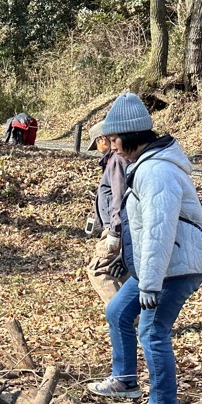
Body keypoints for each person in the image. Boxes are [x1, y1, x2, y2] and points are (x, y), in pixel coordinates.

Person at [86, 93, 202, 404]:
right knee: (117, 312)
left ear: (129, 136)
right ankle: (125, 381)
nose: (111, 146)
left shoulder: (157, 172)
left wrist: (150, 285)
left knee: (152, 331)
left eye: (114, 139)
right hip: (155, 266)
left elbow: (160, 232)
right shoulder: (145, 164)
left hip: (174, 266)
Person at [84, 120, 130, 304]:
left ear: (102, 138)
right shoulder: (114, 159)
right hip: (118, 225)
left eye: (96, 143)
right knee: (123, 271)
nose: (97, 149)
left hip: (117, 227)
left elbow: (119, 196)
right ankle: (140, 316)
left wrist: (114, 232)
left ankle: (124, 316)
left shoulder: (117, 160)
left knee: (98, 270)